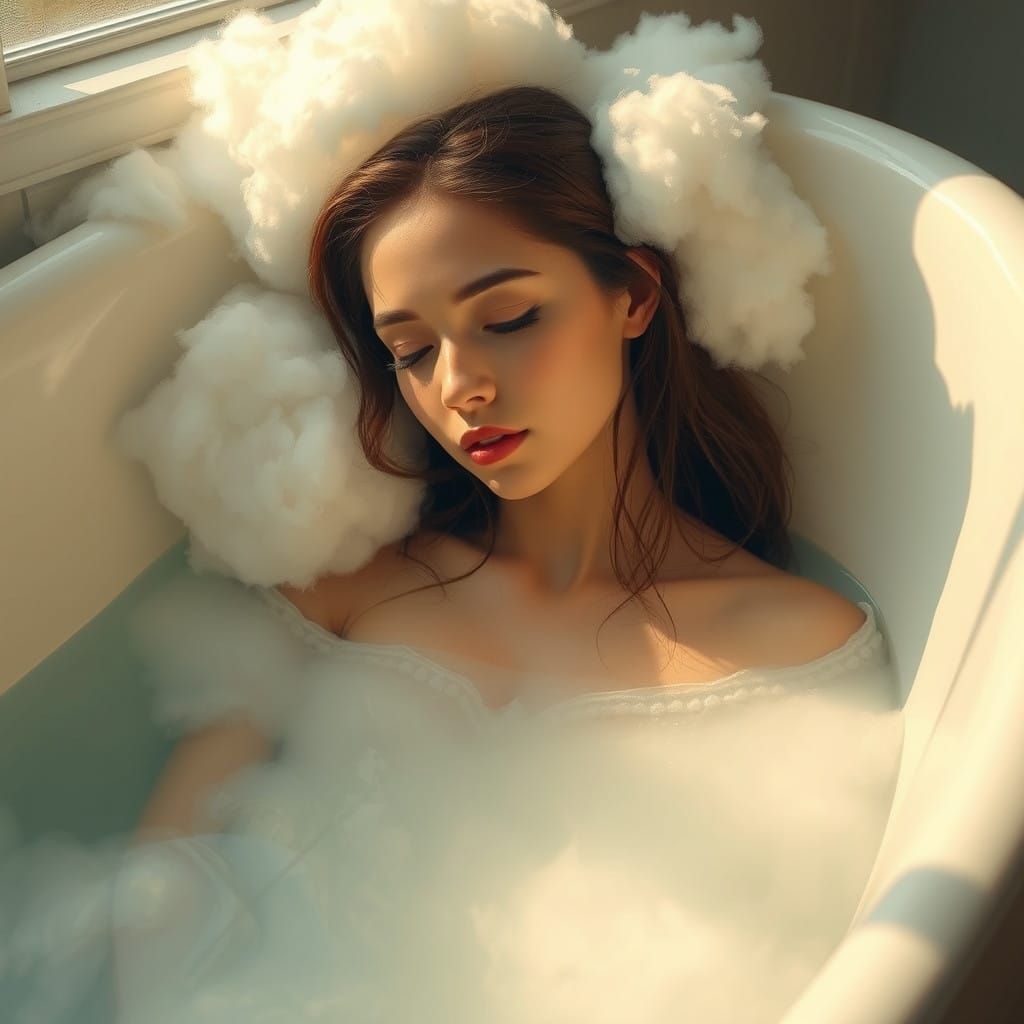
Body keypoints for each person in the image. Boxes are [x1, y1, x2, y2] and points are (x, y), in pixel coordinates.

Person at [134, 82, 868, 840]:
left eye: (509, 318)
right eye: (411, 351)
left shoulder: (800, 641)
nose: (458, 387)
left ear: (635, 296)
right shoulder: (339, 594)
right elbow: (164, 885)